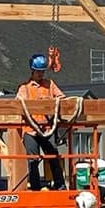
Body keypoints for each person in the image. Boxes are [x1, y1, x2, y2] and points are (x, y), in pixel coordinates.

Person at [16, 53, 65, 190]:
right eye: (38, 71)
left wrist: (53, 104)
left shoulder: (50, 85)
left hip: (47, 129)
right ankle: (35, 187)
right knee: (33, 160)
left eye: (42, 71)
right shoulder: (24, 88)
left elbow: (62, 98)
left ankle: (60, 185)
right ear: (32, 71)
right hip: (30, 130)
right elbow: (18, 105)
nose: (41, 74)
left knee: (53, 156)